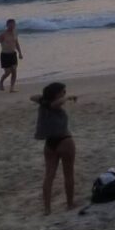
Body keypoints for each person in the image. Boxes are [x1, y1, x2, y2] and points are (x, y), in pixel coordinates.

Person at [33, 82, 76, 215]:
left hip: (50, 144)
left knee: (49, 176)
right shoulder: (54, 104)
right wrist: (68, 98)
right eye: (63, 91)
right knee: (68, 175)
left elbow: (33, 97)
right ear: (56, 93)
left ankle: (47, 209)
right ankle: (69, 205)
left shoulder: (44, 104)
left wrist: (44, 100)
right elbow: (56, 104)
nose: (65, 93)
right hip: (64, 141)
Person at [0, 17, 23, 92]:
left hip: (13, 54)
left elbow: (16, 43)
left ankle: (12, 88)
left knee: (14, 71)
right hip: (5, 55)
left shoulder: (15, 32)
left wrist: (20, 53)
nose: (12, 26)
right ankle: (1, 82)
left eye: (13, 24)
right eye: (10, 25)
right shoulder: (3, 34)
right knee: (8, 72)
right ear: (7, 25)